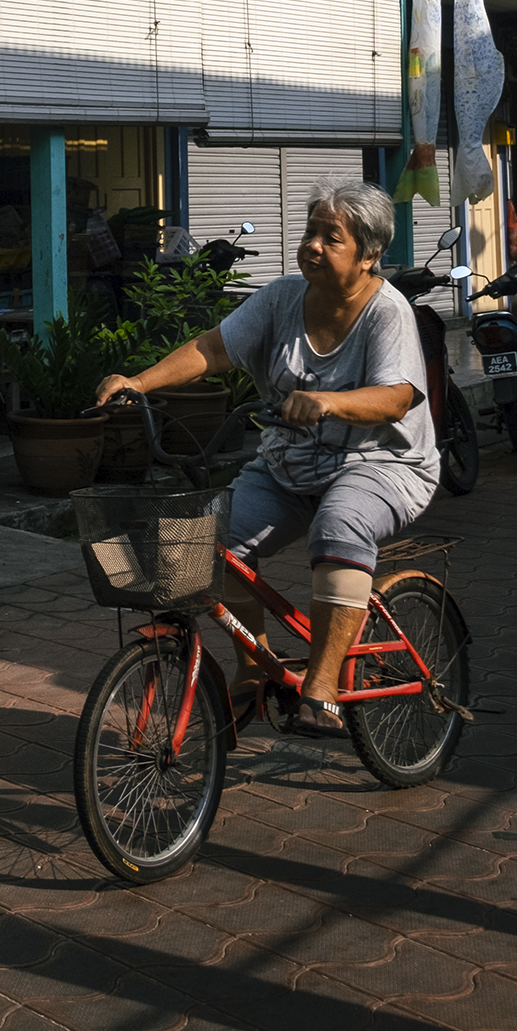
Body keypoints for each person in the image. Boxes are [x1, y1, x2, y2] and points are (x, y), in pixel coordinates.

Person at [94, 179, 438, 735]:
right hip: (290, 465)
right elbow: (213, 348)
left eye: (333, 238)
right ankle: (253, 666)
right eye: (311, 233)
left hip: (382, 465)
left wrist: (329, 401)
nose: (313, 245)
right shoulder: (280, 299)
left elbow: (397, 397)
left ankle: (322, 688)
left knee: (340, 524)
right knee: (203, 546)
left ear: (370, 255)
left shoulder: (387, 312)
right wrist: (139, 381)